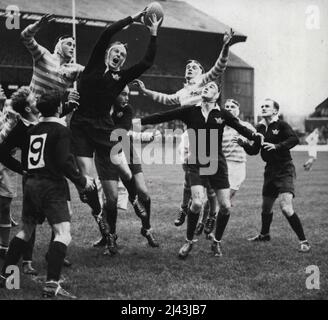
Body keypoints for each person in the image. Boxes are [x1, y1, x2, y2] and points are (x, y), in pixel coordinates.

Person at [69, 9, 162, 252]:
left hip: (102, 127)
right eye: (116, 52)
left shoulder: (121, 77)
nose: (119, 55)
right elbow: (108, 32)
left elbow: (147, 62)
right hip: (80, 126)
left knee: (122, 169)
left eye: (122, 54)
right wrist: (134, 18)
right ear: (108, 53)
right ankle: (105, 229)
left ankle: (134, 200)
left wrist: (153, 34)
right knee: (87, 184)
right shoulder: (92, 66)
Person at [138, 81, 262, 258]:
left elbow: (241, 128)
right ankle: (189, 241)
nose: (207, 88)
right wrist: (137, 122)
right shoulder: (190, 110)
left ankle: (216, 242)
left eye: (212, 87)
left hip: (217, 163)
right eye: (206, 86)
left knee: (226, 206)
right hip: (196, 161)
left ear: (217, 95)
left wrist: (255, 136)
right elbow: (162, 116)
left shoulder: (223, 114)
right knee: (196, 203)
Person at [134, 29, 235, 227]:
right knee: (191, 177)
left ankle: (208, 216)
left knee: (210, 182)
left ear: (200, 72)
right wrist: (145, 91)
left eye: (194, 67)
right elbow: (164, 99)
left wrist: (225, 47)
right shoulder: (182, 92)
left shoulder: (204, 81)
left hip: (208, 137)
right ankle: (186, 207)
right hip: (189, 138)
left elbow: (219, 66)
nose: (190, 69)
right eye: (188, 67)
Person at [0, 90, 94, 298]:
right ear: (59, 109)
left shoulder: (33, 130)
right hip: (51, 185)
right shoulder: (60, 130)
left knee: (26, 230)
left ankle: (7, 276)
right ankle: (52, 283)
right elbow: (64, 162)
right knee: (63, 233)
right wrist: (83, 181)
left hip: (31, 184)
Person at [93, 85, 159, 253]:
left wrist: (104, 132)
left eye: (128, 94)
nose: (127, 97)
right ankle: (110, 236)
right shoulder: (98, 108)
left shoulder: (127, 110)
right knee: (111, 199)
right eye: (123, 94)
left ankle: (147, 228)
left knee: (143, 192)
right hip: (104, 156)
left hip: (126, 151)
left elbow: (120, 133)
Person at [240, 99, 311, 253]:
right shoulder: (259, 127)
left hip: (284, 169)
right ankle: (264, 234)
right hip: (270, 170)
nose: (264, 108)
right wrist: (244, 144)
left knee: (285, 207)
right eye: (262, 106)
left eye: (267, 106)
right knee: (266, 208)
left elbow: (294, 139)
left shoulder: (281, 125)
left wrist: (277, 146)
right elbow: (254, 150)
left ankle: (304, 241)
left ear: (275, 111)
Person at [195, 99, 256, 235]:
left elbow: (255, 144)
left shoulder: (245, 126)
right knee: (209, 199)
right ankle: (202, 222)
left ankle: (212, 228)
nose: (229, 108)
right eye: (227, 106)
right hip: (220, 164)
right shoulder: (218, 125)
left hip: (237, 166)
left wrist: (246, 142)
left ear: (238, 110)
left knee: (224, 201)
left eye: (232, 107)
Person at [21, 14, 84, 99]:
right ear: (59, 46)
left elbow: (93, 73)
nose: (72, 48)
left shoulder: (75, 69)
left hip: (53, 111)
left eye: (74, 46)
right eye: (69, 44)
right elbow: (25, 37)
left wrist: (68, 101)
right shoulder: (43, 55)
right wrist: (37, 25)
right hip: (32, 108)